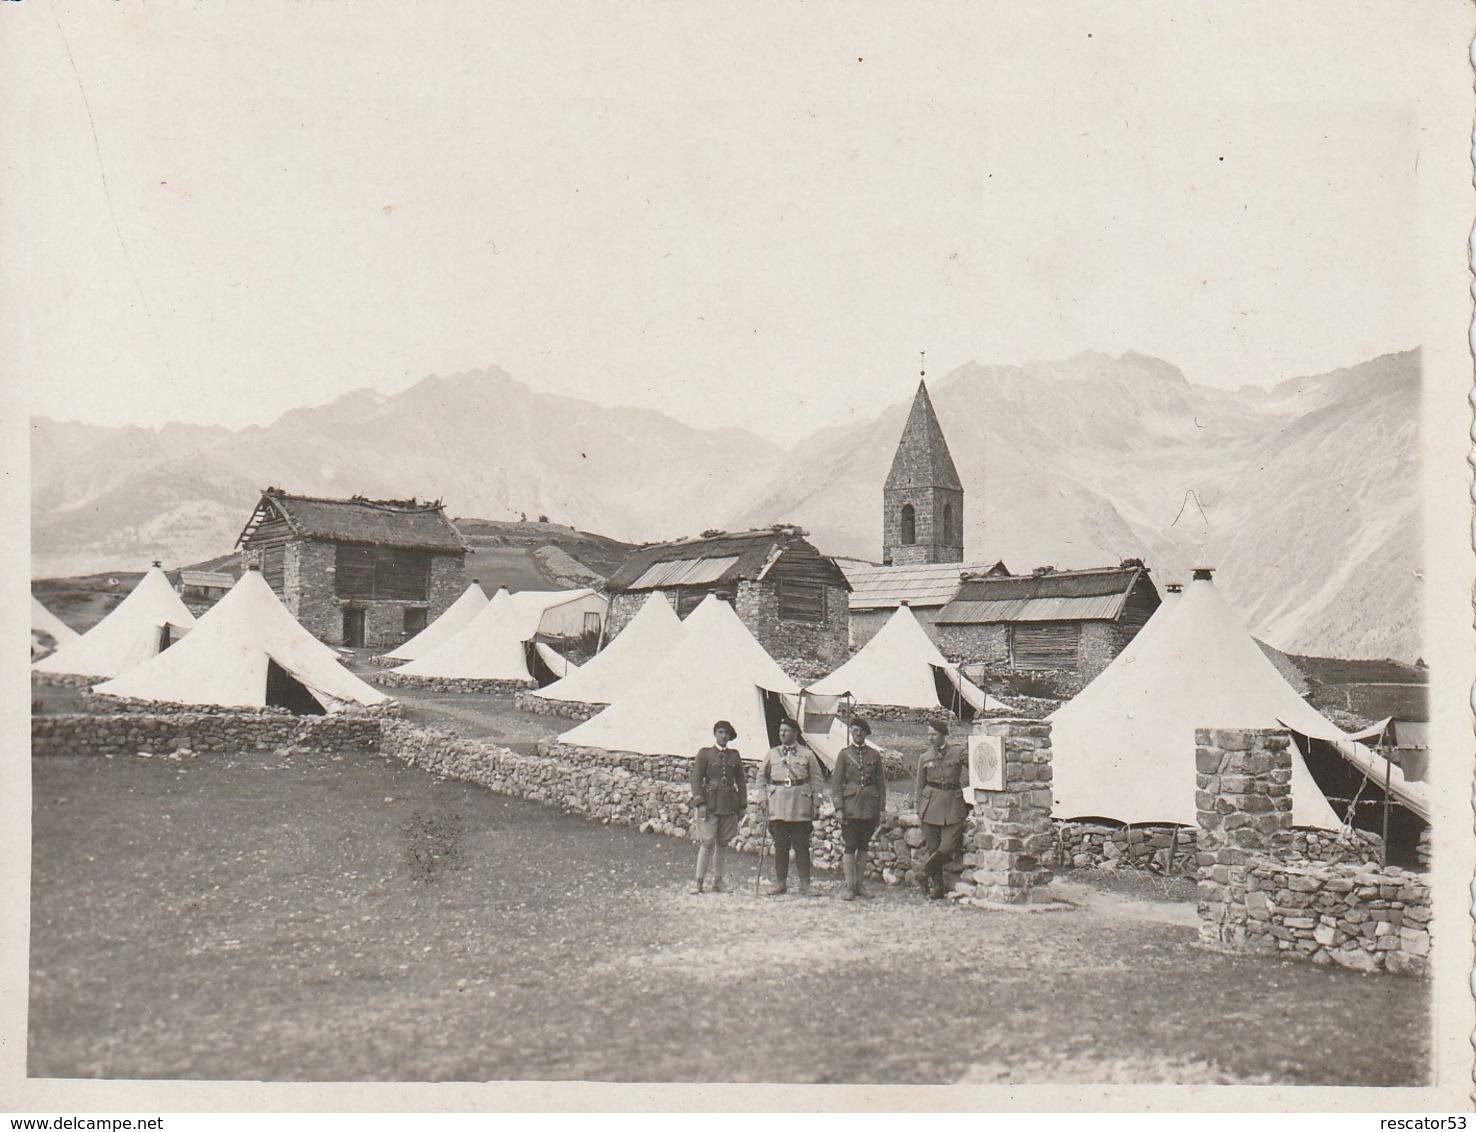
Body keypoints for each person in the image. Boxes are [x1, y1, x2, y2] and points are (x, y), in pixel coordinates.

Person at [758, 718, 826, 896]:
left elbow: (817, 780)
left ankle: (805, 884)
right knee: (780, 845)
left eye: (786, 730)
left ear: (795, 733)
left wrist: (816, 803)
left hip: (799, 805)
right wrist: (763, 798)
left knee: (801, 845)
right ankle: (781, 883)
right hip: (778, 805)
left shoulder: (807, 755)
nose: (782, 733)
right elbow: (760, 778)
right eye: (781, 730)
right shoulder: (772, 754)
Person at [689, 720, 748, 894]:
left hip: (729, 804)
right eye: (721, 732)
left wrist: (742, 804)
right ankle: (698, 882)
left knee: (722, 843)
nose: (723, 736)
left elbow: (741, 782)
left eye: (727, 733)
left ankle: (718, 881)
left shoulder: (734, 756)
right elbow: (696, 780)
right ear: (715, 734)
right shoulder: (705, 754)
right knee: (706, 843)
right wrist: (700, 803)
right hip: (710, 804)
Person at [831, 716, 887, 902]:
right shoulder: (844, 754)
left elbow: (881, 784)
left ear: (866, 734)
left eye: (861, 731)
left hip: (869, 806)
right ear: (851, 732)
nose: (858, 733)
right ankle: (849, 886)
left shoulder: (874, 755)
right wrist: (839, 808)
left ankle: (860, 884)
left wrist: (881, 809)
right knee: (850, 845)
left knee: (863, 845)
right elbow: (837, 784)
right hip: (850, 807)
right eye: (855, 730)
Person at [914, 719, 969, 899]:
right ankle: (937, 888)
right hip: (930, 807)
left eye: (934, 734)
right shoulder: (925, 757)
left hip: (953, 805)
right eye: (928, 734)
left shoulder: (957, 752)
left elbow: (976, 765)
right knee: (933, 847)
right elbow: (919, 786)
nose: (930, 738)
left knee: (947, 847)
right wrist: (918, 808)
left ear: (943, 735)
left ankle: (923, 873)